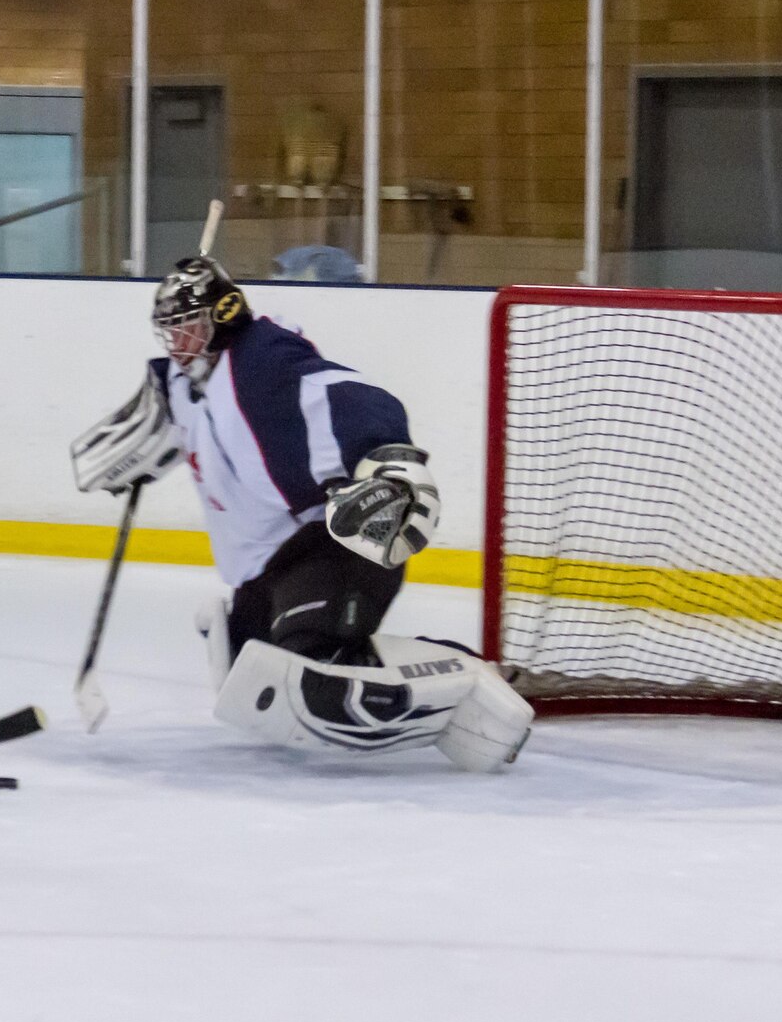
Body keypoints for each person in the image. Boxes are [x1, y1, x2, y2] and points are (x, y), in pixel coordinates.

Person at [70, 255, 532, 772]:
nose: (179, 346)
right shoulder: (184, 386)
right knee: (254, 681)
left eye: (190, 330)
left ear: (224, 316)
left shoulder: (262, 365)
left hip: (336, 543)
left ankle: (476, 682)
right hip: (267, 572)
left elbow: (350, 395)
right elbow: (123, 441)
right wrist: (139, 441)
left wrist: (390, 462)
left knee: (316, 672)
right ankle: (428, 667)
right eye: (171, 334)